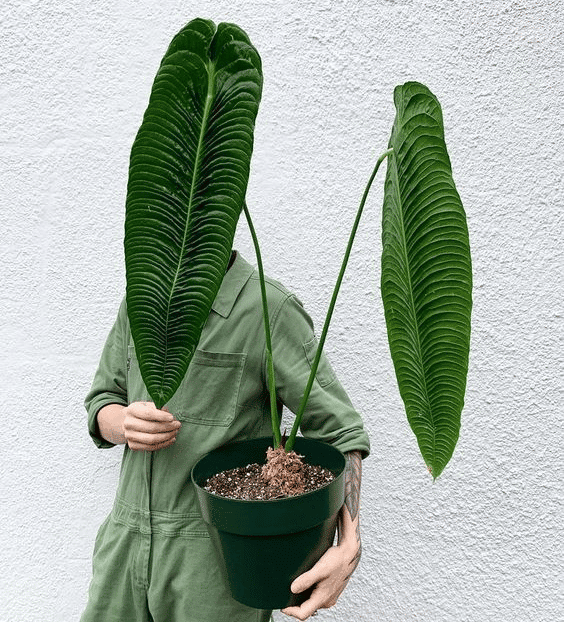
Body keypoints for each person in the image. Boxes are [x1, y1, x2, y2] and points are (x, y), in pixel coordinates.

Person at [81, 250, 370, 622]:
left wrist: (349, 547)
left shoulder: (269, 309)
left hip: (213, 561)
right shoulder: (141, 297)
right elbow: (103, 400)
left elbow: (340, 431)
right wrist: (123, 423)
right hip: (122, 547)